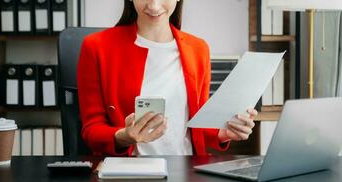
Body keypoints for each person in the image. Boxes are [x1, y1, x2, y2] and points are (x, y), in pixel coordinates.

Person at [77, 0, 258, 156]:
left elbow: (196, 126)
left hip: (187, 175)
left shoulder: (198, 49)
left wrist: (224, 132)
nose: (154, 6)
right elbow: (91, 131)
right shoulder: (96, 47)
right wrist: (124, 136)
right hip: (127, 175)